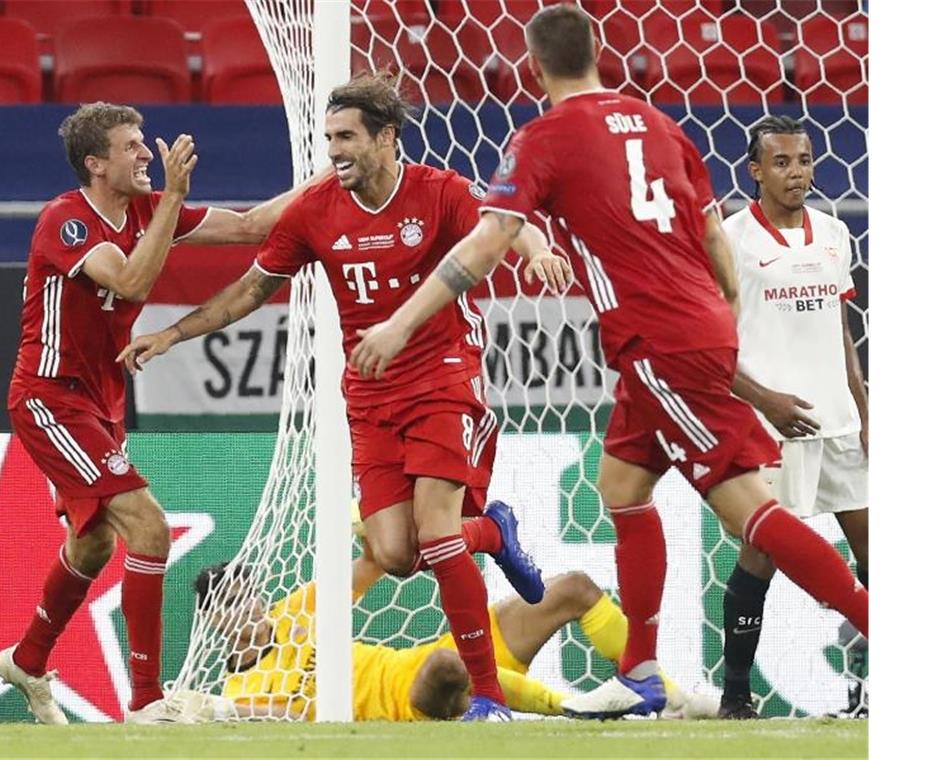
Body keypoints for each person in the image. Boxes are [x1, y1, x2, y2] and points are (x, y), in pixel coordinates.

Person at [349, 4, 868, 720]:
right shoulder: (661, 124)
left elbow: (488, 240)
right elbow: (716, 235)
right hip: (683, 330)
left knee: (749, 508)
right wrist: (717, 309)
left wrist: (401, 324)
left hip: (659, 339)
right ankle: (643, 669)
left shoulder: (545, 136)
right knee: (621, 483)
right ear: (599, 54)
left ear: (535, 69)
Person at [116, 72, 573, 721]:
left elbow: (503, 224)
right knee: (394, 553)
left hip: (443, 374)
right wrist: (173, 333)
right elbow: (250, 289)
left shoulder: (437, 192)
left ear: (387, 138)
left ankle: (489, 700)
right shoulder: (315, 209)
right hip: (368, 390)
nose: (335, 150)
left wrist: (539, 248)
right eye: (329, 137)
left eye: (347, 136)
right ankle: (491, 532)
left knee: (436, 534)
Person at [0, 102, 324, 725]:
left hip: (100, 402)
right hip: (49, 396)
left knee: (91, 546)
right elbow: (133, 281)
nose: (147, 153)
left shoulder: (146, 209)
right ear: (96, 164)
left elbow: (253, 224)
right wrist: (172, 197)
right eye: (131, 146)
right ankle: (147, 702)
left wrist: (330, 172)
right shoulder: (67, 220)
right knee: (149, 529)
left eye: (145, 142)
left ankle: (29, 659)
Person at [173, 533, 715, 722]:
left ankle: (670, 697)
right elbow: (282, 715)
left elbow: (373, 566)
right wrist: (224, 710)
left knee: (571, 587)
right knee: (449, 664)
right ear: (214, 622)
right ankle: (571, 708)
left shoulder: (296, 613)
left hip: (435, 655)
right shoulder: (238, 693)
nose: (251, 608)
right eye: (233, 603)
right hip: (411, 700)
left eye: (253, 594)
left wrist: (369, 528)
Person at [716, 115, 869, 719]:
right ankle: (735, 697)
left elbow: (841, 327)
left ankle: (878, 688)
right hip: (773, 429)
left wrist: (864, 405)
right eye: (781, 162)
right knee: (762, 557)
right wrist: (764, 400)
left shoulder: (834, 233)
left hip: (838, 422)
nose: (796, 172)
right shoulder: (729, 239)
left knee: (875, 551)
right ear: (755, 172)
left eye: (803, 160)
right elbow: (709, 345)